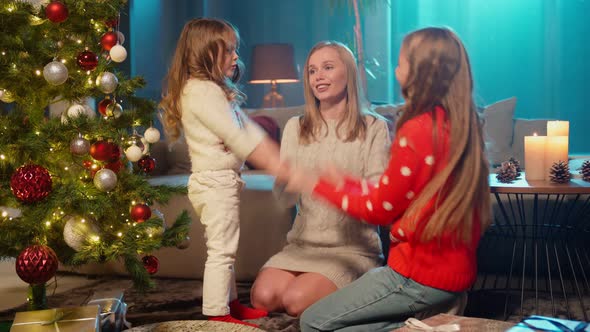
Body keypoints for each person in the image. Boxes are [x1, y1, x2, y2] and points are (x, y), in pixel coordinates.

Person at [282, 27, 491, 331]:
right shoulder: (459, 124)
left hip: (416, 275)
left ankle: (431, 324)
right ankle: (429, 320)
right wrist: (347, 184)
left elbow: (381, 209)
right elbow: (402, 194)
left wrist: (325, 184)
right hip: (453, 272)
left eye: (402, 62)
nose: (396, 69)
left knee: (313, 321)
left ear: (421, 72)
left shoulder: (417, 129)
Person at [250, 41, 391, 317]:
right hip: (302, 245)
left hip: (351, 250)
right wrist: (284, 178)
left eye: (328, 67)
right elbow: (284, 198)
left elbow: (379, 197)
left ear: (348, 73)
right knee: (263, 298)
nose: (319, 76)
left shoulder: (374, 127)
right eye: (313, 71)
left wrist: (334, 184)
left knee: (294, 301)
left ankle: (355, 282)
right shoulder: (295, 127)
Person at [159, 18, 280, 327]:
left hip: (216, 180)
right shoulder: (202, 92)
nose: (236, 57)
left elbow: (243, 127)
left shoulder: (207, 90)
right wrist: (269, 159)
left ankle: (230, 303)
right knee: (222, 251)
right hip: (215, 182)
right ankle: (217, 313)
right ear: (205, 53)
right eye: (229, 51)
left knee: (226, 248)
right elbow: (236, 135)